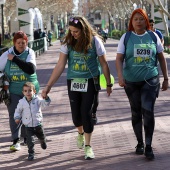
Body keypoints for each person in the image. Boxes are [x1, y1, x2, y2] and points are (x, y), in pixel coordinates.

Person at [41, 15, 113, 160]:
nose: (73, 34)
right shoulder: (68, 42)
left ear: (84, 30)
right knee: (76, 117)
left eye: (76, 32)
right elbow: (60, 65)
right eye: (71, 31)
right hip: (73, 81)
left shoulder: (95, 41)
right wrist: (48, 86)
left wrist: (108, 83)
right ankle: (80, 133)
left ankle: (88, 146)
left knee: (86, 113)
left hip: (90, 81)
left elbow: (104, 64)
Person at [115, 8, 169, 160]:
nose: (138, 22)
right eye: (135, 19)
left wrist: (166, 78)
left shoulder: (153, 36)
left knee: (148, 110)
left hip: (150, 80)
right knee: (136, 112)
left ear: (146, 21)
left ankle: (149, 145)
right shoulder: (126, 37)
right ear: (131, 22)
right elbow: (119, 59)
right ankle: (139, 142)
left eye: (141, 19)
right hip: (131, 81)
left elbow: (161, 57)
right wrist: (120, 76)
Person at [0, 31, 40, 151]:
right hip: (13, 90)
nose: (21, 45)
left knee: (28, 113)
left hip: (29, 90)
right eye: (18, 43)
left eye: (23, 43)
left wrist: (15, 59)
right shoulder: (6, 54)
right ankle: (16, 141)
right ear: (14, 43)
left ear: (26, 43)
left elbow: (31, 69)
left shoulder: (30, 53)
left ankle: (26, 138)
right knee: (15, 115)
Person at [14, 82, 51, 161]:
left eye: (30, 90)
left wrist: (46, 98)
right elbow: (18, 111)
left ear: (34, 91)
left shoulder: (37, 99)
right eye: (25, 91)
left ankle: (43, 141)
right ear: (23, 92)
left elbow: (45, 103)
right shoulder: (21, 102)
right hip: (28, 125)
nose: (28, 93)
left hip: (38, 124)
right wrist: (17, 117)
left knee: (41, 136)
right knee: (30, 141)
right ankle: (31, 153)